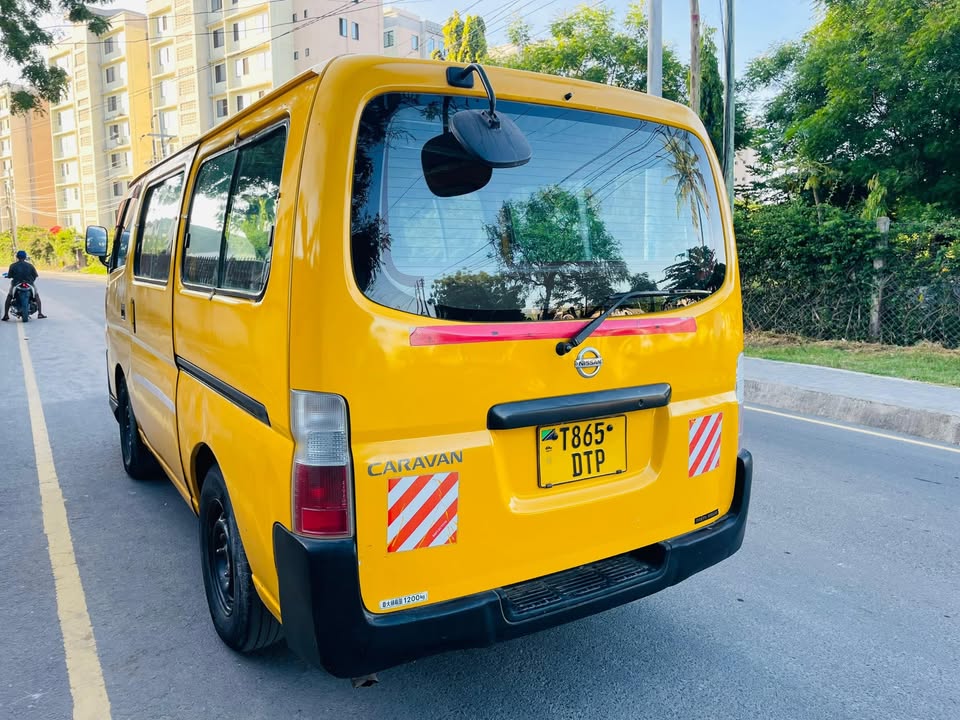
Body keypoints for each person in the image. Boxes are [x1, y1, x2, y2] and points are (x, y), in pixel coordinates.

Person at [2, 250, 47, 320]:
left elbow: (10, 275)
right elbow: (35, 276)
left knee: (9, 296)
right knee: (36, 295)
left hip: (16, 284)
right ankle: (40, 313)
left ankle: (6, 315)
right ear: (25, 257)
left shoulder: (12, 266)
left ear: (17, 257)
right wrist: (31, 281)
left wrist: (9, 276)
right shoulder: (30, 266)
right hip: (29, 284)